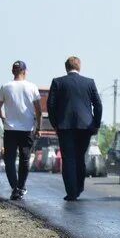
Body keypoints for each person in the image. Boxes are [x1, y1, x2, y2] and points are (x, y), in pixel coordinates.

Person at [47, 56, 103, 201]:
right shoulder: (89, 83)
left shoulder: (57, 82)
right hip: (85, 126)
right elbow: (98, 105)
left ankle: (72, 192)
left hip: (65, 126)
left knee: (69, 159)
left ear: (66, 68)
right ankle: (79, 186)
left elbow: (50, 105)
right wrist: (96, 124)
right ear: (79, 67)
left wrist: (55, 124)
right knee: (79, 157)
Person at [0, 60, 41, 200]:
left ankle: (15, 187)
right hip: (27, 129)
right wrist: (38, 127)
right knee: (24, 159)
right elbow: (39, 111)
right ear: (24, 71)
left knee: (9, 160)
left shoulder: (5, 87)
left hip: (10, 129)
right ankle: (20, 187)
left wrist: (3, 118)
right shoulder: (32, 87)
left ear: (13, 72)